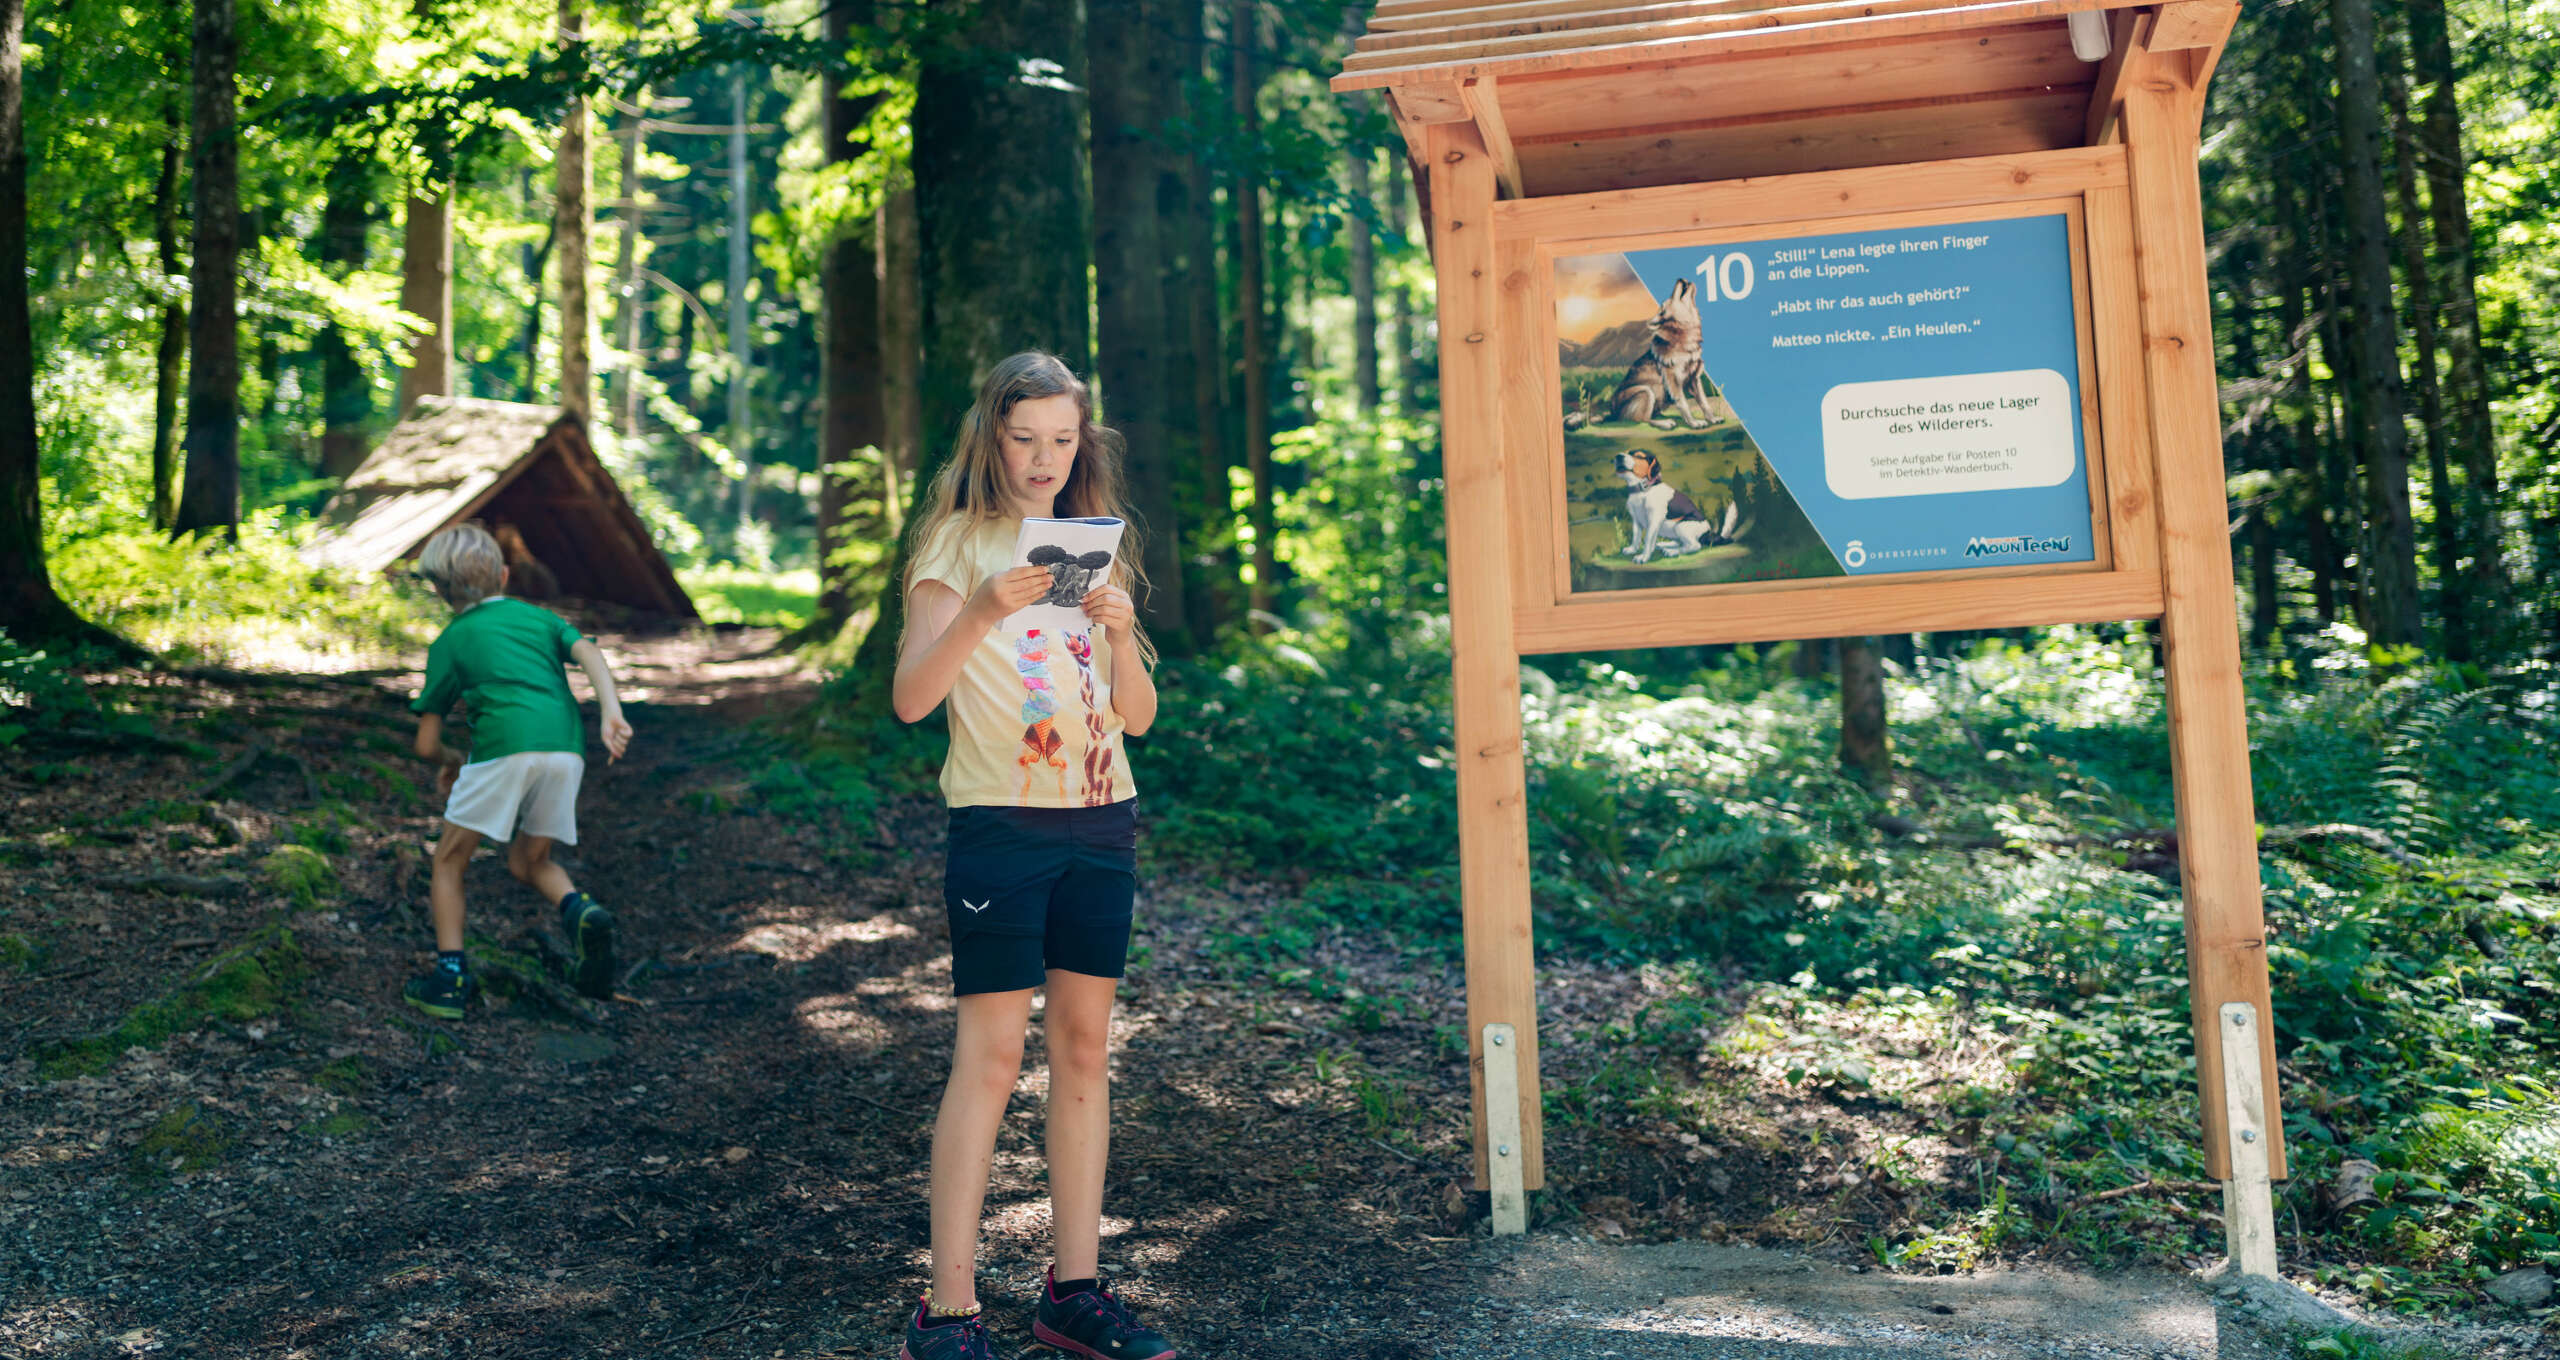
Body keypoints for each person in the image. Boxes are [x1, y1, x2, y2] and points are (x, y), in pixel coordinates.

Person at [890, 353, 1170, 1360]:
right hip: (999, 823)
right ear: (991, 437)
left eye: (1063, 439)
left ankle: (1075, 1291)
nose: (1044, 458)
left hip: (1102, 820)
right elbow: (912, 699)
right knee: (994, 1053)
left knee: (1086, 1050)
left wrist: (1124, 632)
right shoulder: (953, 541)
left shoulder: (1100, 544)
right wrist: (980, 609)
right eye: (1024, 438)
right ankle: (950, 1304)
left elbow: (1133, 715)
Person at [404, 522, 633, 1019]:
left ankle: (450, 980)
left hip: (505, 749)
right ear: (505, 575)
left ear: (441, 592)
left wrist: (453, 762)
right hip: (565, 748)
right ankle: (581, 912)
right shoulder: (539, 619)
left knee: (448, 862)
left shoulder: (451, 640)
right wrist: (610, 711)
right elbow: (589, 651)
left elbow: (426, 743)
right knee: (528, 861)